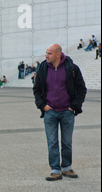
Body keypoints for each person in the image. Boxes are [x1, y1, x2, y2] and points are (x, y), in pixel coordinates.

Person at [33, 43, 87, 181]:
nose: (46, 56)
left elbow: (81, 89)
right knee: (52, 142)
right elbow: (37, 90)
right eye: (46, 53)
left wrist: (74, 106)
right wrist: (42, 106)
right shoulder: (42, 69)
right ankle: (55, 170)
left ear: (58, 54)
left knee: (67, 142)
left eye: (49, 53)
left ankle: (67, 168)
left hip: (67, 112)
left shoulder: (72, 68)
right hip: (50, 111)